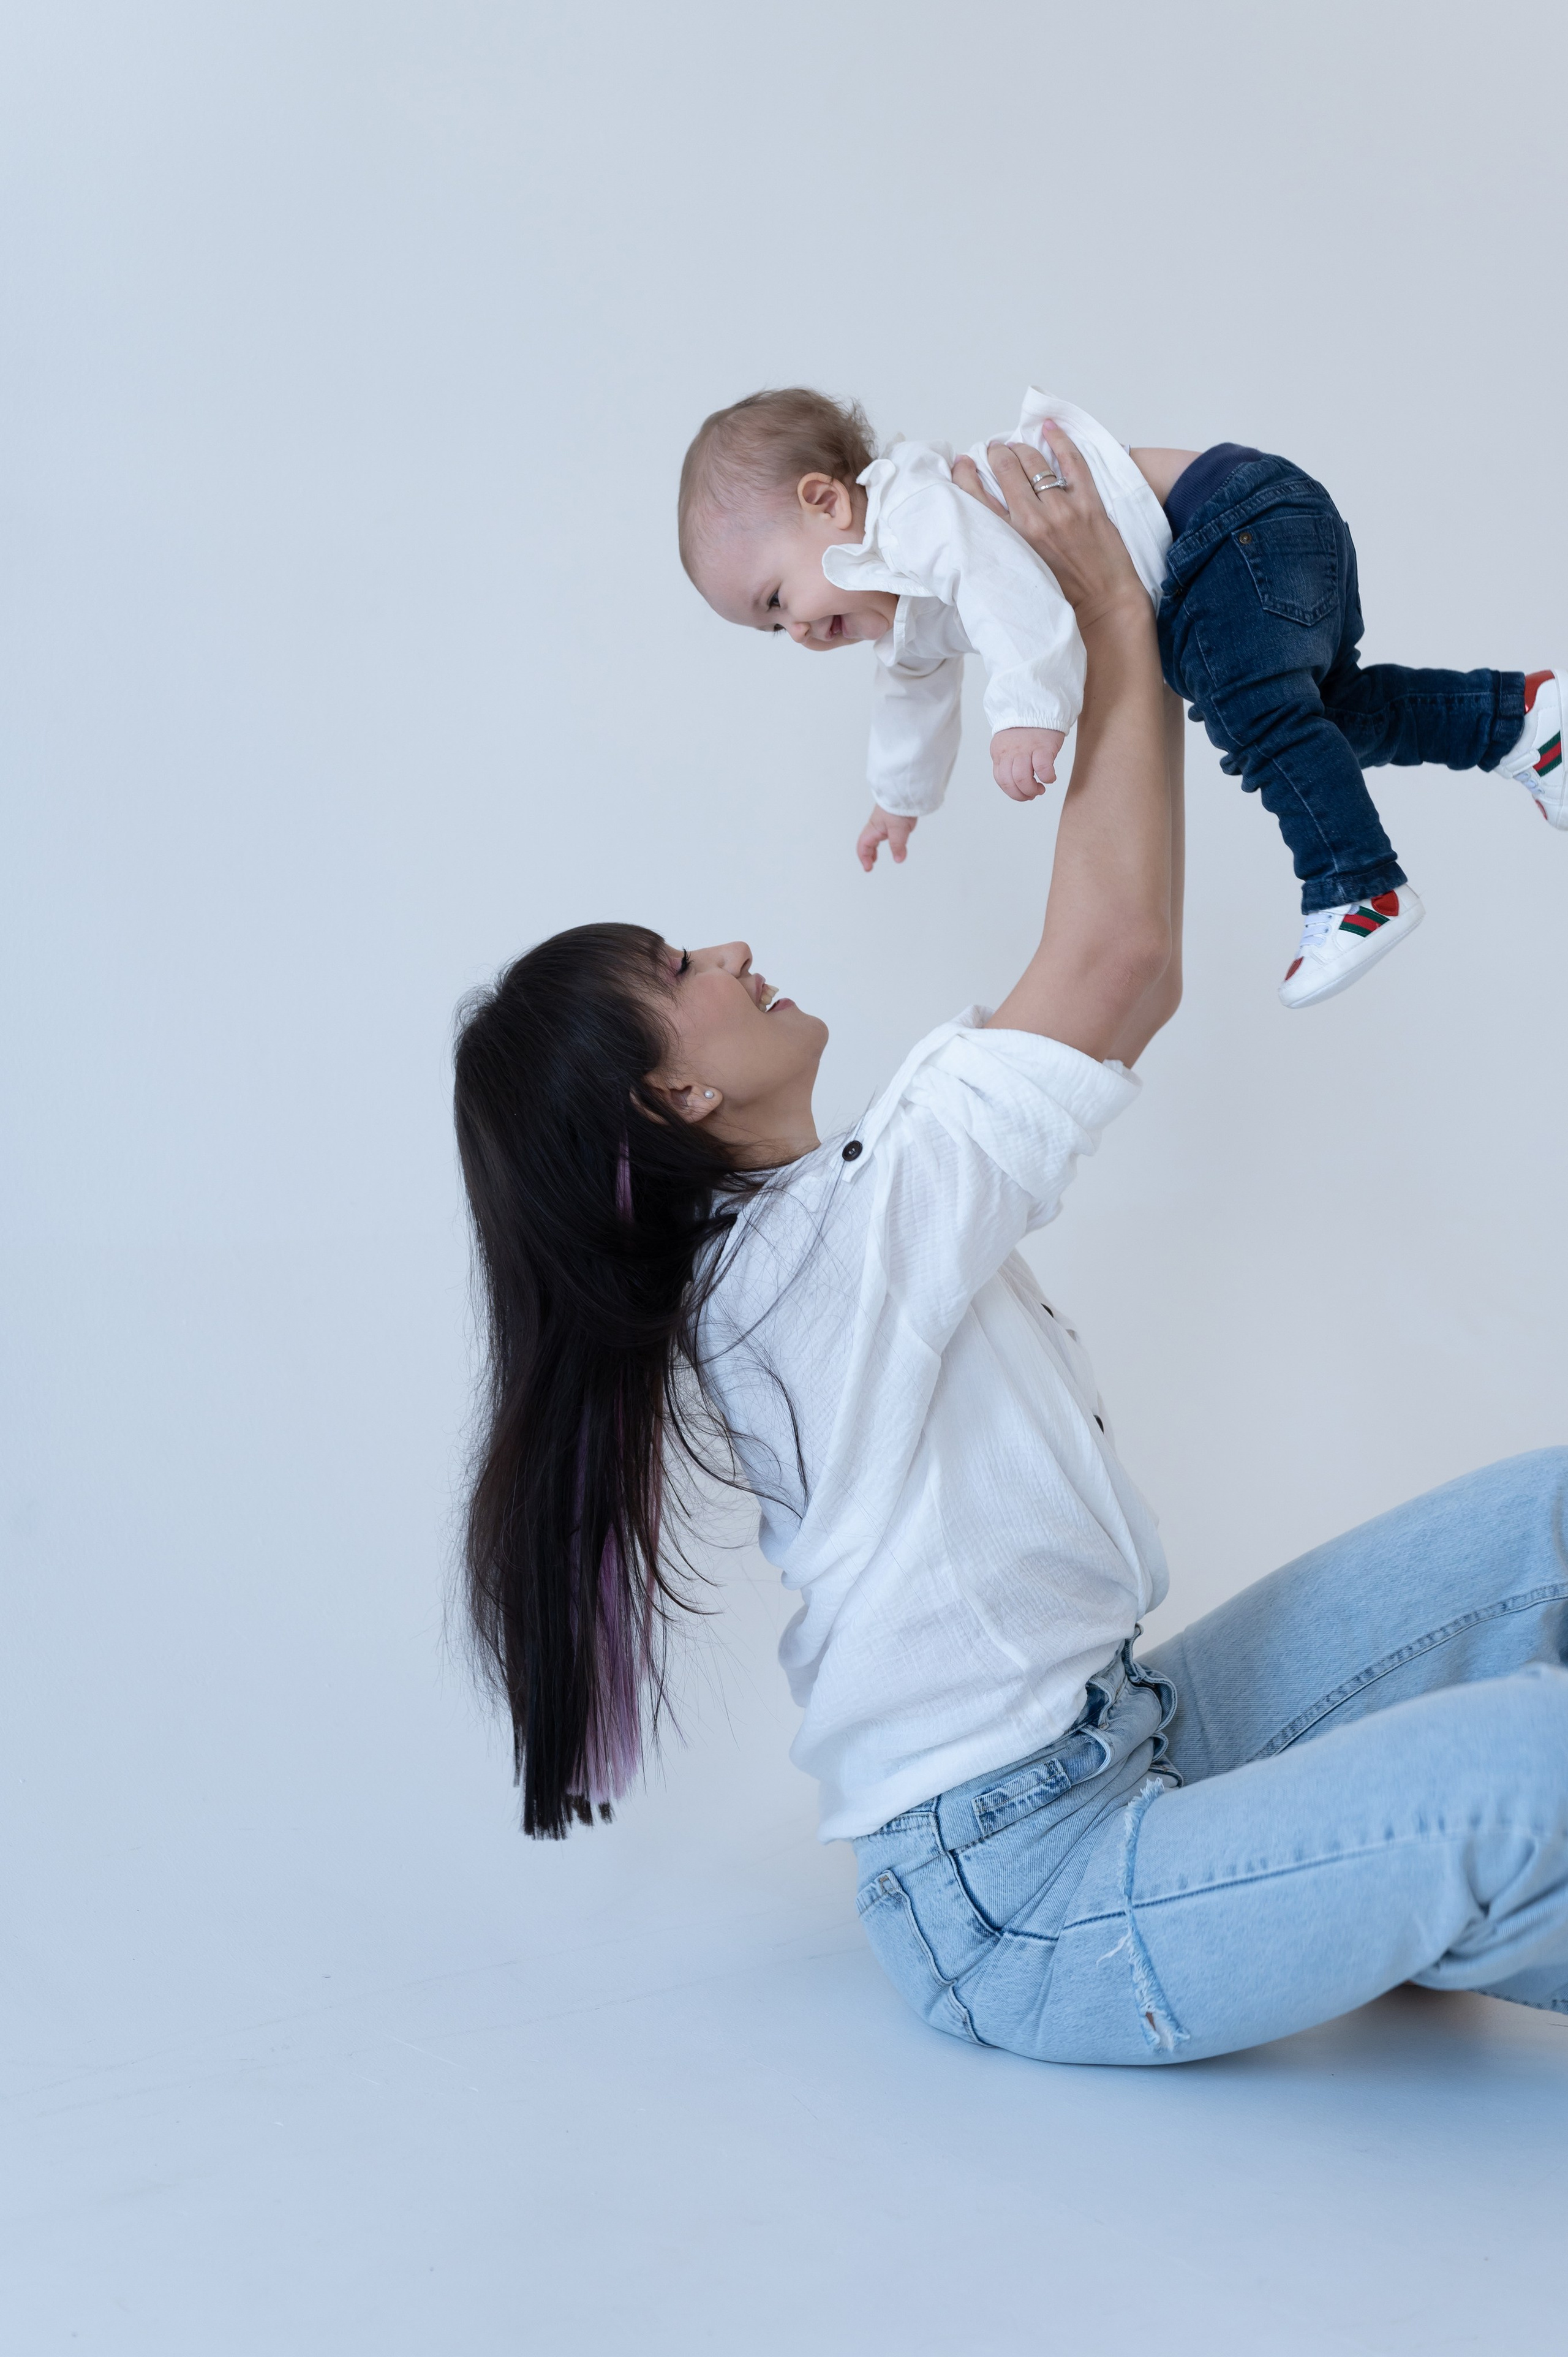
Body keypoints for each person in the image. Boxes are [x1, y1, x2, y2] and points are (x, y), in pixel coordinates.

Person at [454, 432, 1568, 2064]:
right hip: (1029, 1897)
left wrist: (1118, 619)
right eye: (680, 967)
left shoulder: (826, 1212)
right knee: (1535, 1771)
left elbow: (1115, 976)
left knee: (1549, 1528)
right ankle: (1393, 1879)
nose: (731, 948)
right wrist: (1115, 614)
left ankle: (1379, 1887)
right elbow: (1113, 962)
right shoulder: (806, 1266)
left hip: (1131, 1736)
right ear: (672, 1094)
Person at [677, 384, 1563, 1009]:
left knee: (1258, 721)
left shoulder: (916, 515)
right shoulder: (902, 609)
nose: (795, 632)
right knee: (1331, 719)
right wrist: (898, 800)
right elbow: (911, 690)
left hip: (1234, 524)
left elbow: (1004, 594)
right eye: (771, 630)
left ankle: (1357, 887)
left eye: (776, 598)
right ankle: (1521, 723)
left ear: (827, 502)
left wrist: (1026, 718)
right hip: (1249, 535)